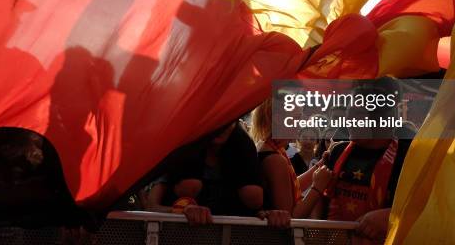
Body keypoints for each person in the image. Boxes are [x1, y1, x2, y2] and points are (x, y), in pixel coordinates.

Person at [146, 121, 289, 227]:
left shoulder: (244, 156)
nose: (222, 125)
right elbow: (151, 206)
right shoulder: (179, 152)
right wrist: (181, 211)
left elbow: (254, 210)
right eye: (219, 116)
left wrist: (267, 215)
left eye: (230, 118)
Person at [321, 78, 411, 243]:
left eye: (355, 115)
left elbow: (429, 208)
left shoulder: (408, 157)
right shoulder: (337, 152)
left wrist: (392, 216)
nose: (347, 121)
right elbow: (318, 206)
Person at [250, 101, 332, 219]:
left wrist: (320, 165)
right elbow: (291, 217)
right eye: (297, 118)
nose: (301, 123)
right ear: (278, 119)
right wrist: (317, 187)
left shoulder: (268, 146)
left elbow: (291, 186)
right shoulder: (275, 160)